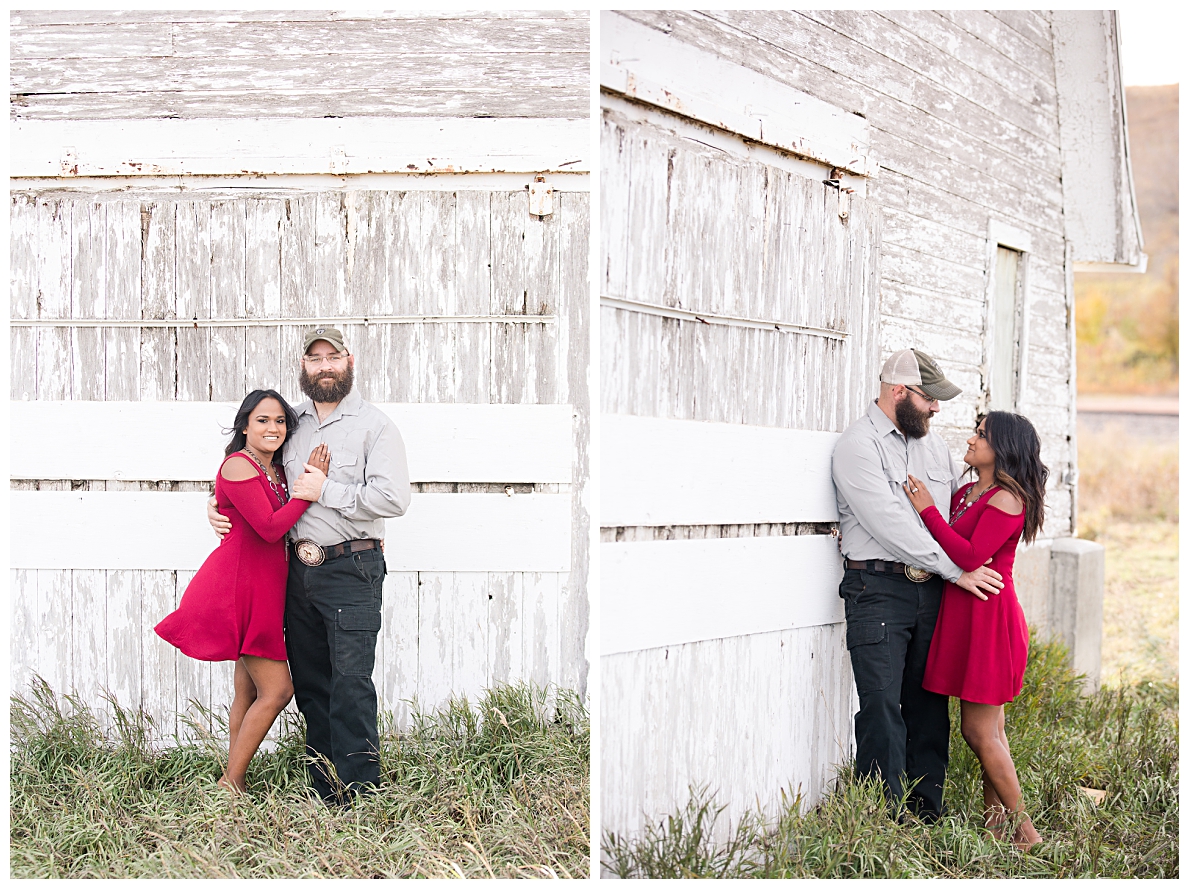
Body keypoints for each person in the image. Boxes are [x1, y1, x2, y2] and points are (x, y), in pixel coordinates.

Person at [208, 327, 411, 805]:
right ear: (304, 366)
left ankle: (361, 794)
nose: (324, 366)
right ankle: (325, 790)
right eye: (314, 358)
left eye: (332, 357)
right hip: (296, 574)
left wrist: (325, 490)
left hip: (351, 568)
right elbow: (249, 468)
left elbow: (393, 499)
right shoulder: (290, 422)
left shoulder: (375, 427)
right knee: (312, 685)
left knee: (351, 683)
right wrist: (216, 504)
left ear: (349, 361)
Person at [831, 348, 1004, 821]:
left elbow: (957, 513)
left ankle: (926, 812)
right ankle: (880, 818)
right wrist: (958, 570)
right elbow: (892, 526)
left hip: (932, 591)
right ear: (898, 392)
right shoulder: (858, 447)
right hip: (878, 589)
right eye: (929, 399)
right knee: (882, 704)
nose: (936, 409)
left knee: (929, 703)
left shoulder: (931, 445)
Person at [155, 389, 329, 793]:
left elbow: (250, 510)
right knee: (279, 689)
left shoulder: (274, 469)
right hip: (238, 586)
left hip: (265, 587)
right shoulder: (238, 465)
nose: (273, 428)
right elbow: (269, 528)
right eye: (263, 420)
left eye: (280, 421)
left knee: (248, 689)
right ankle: (230, 783)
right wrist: (310, 488)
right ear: (245, 426)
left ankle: (235, 775)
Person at [904, 411, 1047, 850]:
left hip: (990, 620)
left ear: (1001, 447)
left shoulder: (1008, 499)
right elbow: (951, 544)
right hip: (966, 616)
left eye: (981, 436)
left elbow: (968, 555)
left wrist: (928, 510)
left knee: (979, 732)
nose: (971, 439)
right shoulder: (968, 491)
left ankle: (1027, 834)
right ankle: (995, 827)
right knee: (993, 733)